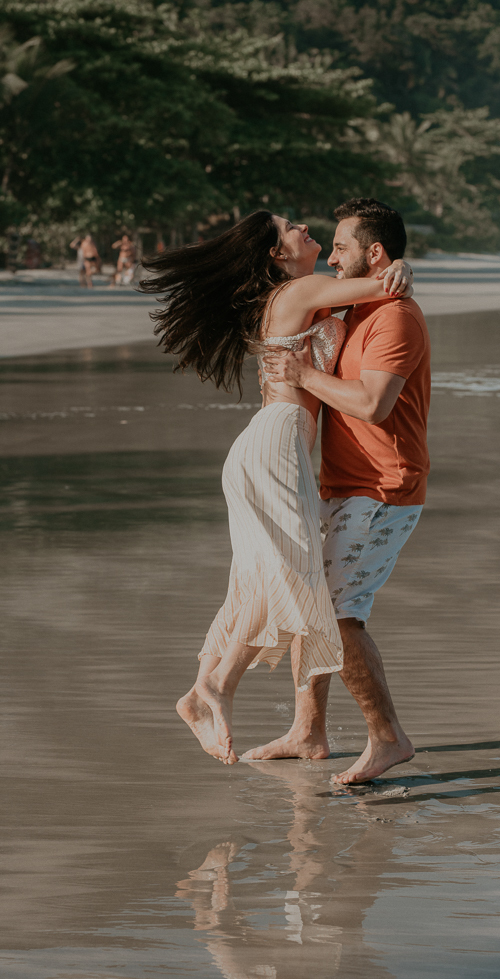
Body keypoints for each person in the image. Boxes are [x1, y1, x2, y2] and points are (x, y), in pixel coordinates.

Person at [139, 211, 413, 765]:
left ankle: (205, 690)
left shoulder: (303, 294)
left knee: (264, 574)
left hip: (270, 445)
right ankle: (217, 686)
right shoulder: (302, 289)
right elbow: (381, 280)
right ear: (275, 253)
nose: (305, 231)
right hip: (278, 445)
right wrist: (400, 264)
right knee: (285, 573)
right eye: (293, 229)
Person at [248, 198, 431, 784]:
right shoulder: (356, 307)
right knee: (313, 605)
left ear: (373, 253)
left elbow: (373, 406)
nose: (330, 254)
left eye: (343, 246)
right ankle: (309, 731)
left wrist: (303, 376)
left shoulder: (395, 317)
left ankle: (389, 738)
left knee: (337, 614)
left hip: (383, 488)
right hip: (342, 484)